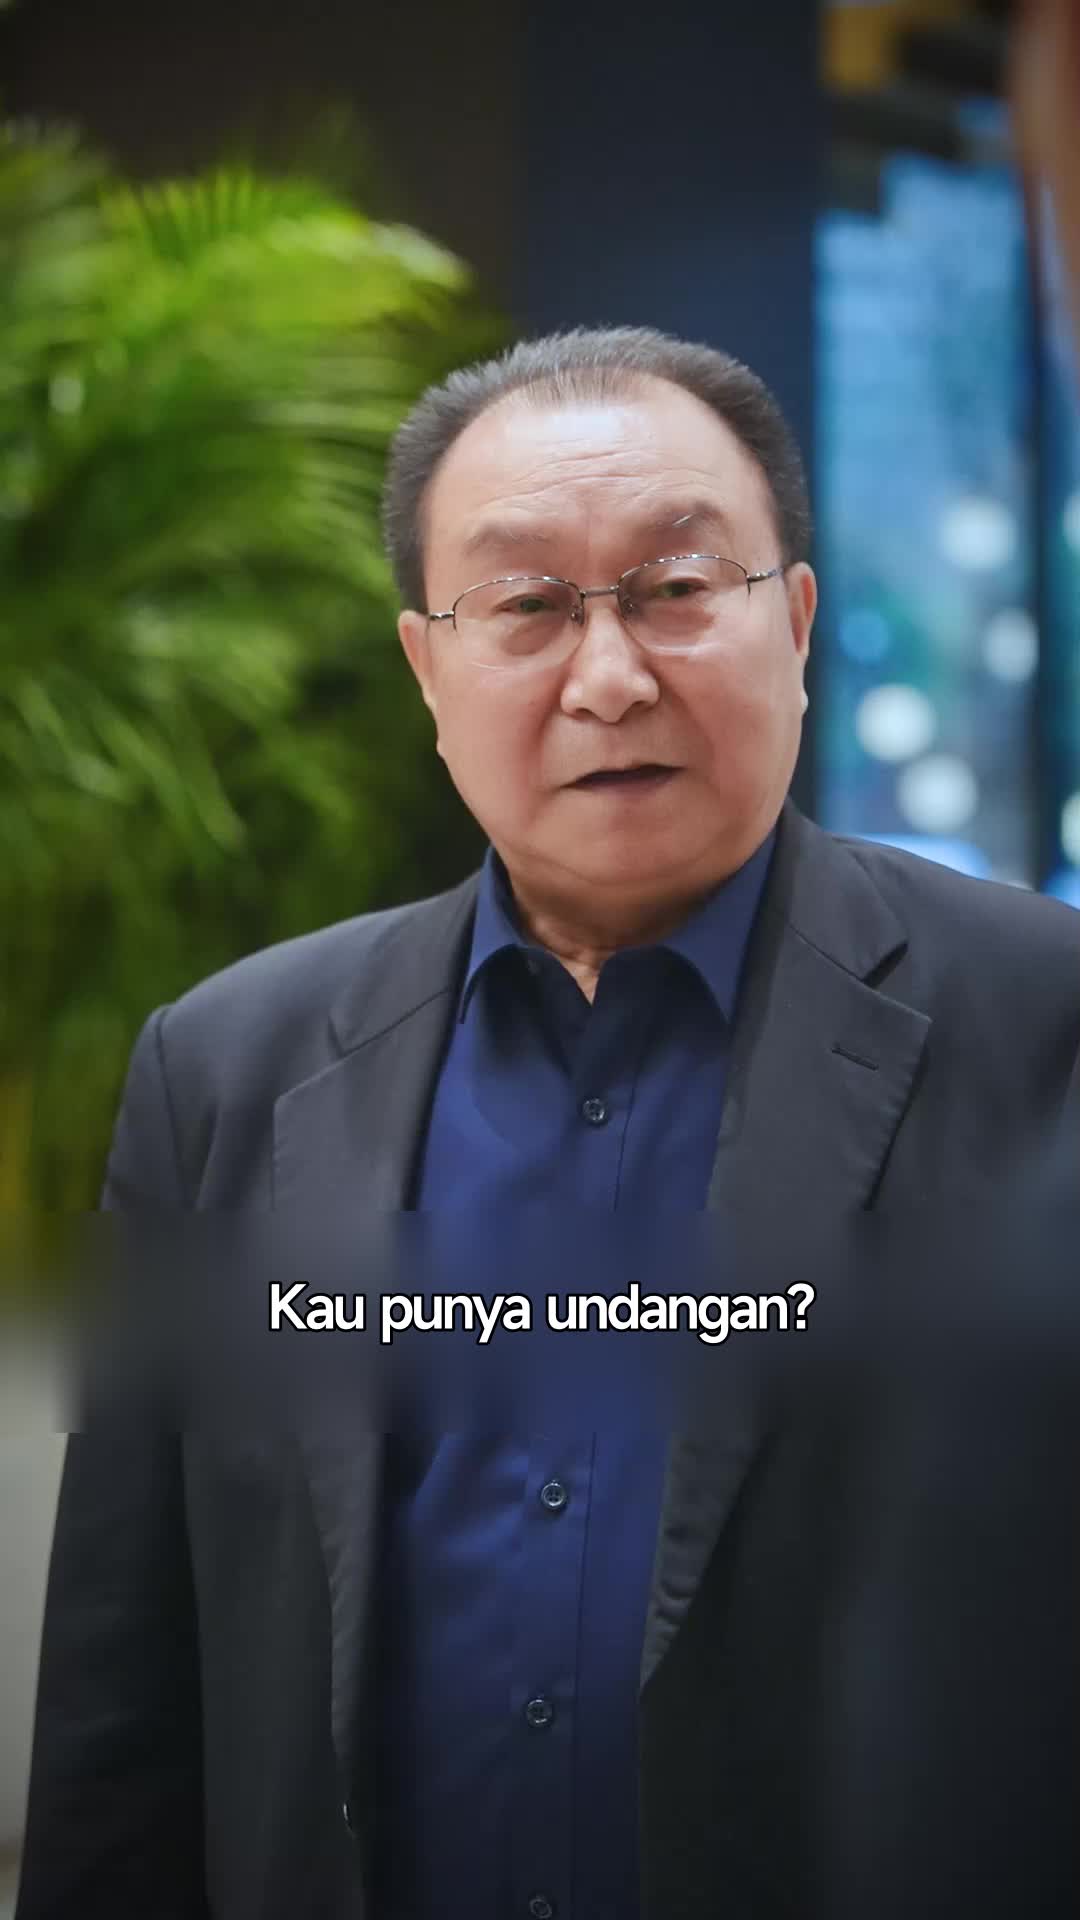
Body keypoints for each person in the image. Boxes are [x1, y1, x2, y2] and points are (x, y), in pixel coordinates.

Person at [14, 319, 1080, 1920]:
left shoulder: (1048, 1031)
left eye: (676, 587)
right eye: (525, 606)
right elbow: (126, 1683)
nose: (610, 676)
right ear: (427, 669)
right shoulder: (225, 1070)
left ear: (796, 622)